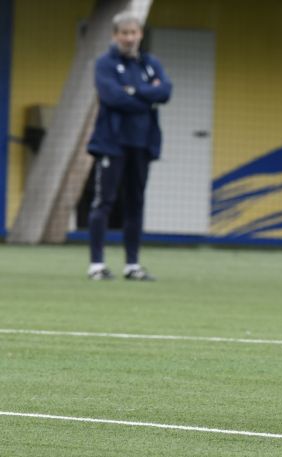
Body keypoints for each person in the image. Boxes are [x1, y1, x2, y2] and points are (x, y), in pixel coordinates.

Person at [86, 12, 172, 281]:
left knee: (136, 203)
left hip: (142, 143)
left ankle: (132, 265)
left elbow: (166, 91)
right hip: (112, 144)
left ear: (140, 35)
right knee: (105, 202)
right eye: (124, 33)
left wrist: (133, 91)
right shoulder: (105, 63)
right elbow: (112, 97)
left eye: (133, 33)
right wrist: (146, 95)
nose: (129, 38)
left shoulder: (150, 63)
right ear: (115, 36)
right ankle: (97, 265)